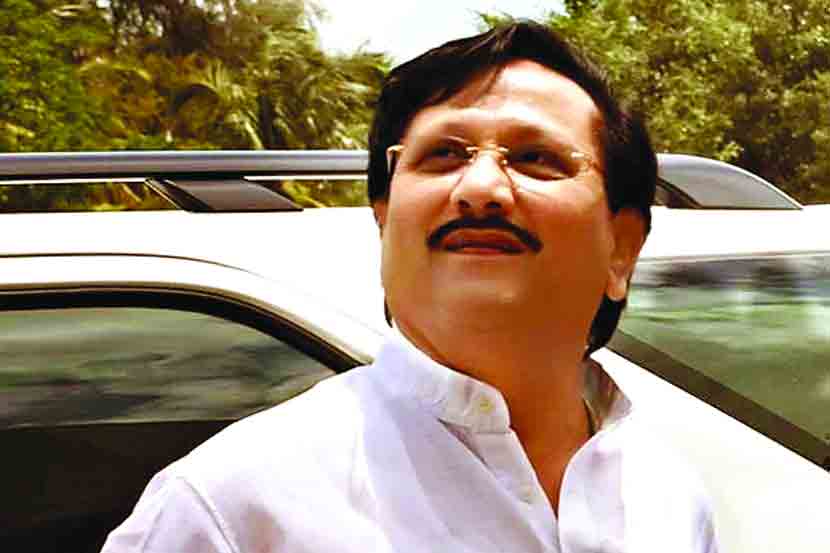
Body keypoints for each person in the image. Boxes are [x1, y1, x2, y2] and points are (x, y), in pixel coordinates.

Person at [102, 21, 717, 552]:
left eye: (535, 158)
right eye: (443, 155)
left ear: (621, 249)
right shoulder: (233, 508)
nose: (480, 189)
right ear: (384, 222)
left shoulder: (666, 498)